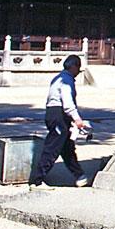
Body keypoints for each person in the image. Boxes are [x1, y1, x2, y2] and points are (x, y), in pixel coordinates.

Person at [31, 54, 88, 188]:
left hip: (54, 113)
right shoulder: (65, 81)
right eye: (78, 67)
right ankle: (37, 180)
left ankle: (80, 175)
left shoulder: (57, 78)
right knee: (52, 148)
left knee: (67, 147)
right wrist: (77, 118)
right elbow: (67, 103)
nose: (79, 72)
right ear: (73, 66)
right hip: (58, 115)